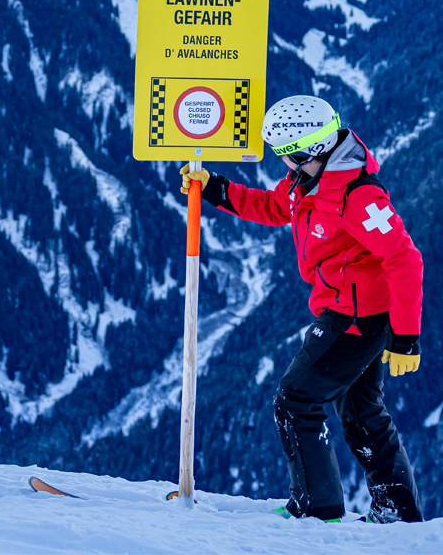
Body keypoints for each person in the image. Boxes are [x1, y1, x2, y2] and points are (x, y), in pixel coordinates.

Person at [178, 95, 424, 523]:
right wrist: (217, 189)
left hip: (356, 319)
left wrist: (405, 338)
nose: (284, 165)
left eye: (288, 156)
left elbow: (404, 258)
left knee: (294, 400)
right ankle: (398, 513)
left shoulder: (356, 195)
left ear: (314, 150)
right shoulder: (305, 184)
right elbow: (274, 208)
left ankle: (317, 509)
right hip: (346, 308)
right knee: (362, 412)